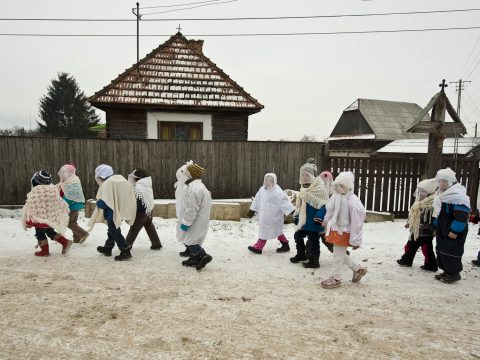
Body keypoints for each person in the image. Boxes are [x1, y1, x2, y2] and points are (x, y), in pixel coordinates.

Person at [321, 171, 367, 289]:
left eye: (342, 186)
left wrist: (356, 241)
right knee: (339, 254)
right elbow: (330, 211)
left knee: (337, 255)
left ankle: (336, 278)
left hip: (345, 232)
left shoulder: (353, 201)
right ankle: (358, 269)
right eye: (337, 185)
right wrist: (326, 222)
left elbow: (357, 223)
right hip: (336, 229)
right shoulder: (336, 197)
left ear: (348, 187)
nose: (338, 188)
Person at [88, 164, 136, 261]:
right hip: (122, 210)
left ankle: (125, 249)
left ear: (100, 176)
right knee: (111, 231)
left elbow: (104, 202)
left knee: (114, 231)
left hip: (112, 213)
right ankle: (108, 247)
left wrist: (98, 202)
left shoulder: (108, 184)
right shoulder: (121, 180)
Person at [290, 158, 330, 269]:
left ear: (313, 176)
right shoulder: (304, 188)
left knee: (313, 242)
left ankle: (314, 260)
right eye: (302, 175)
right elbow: (301, 206)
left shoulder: (319, 188)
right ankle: (301, 254)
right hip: (304, 221)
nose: (305, 177)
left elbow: (325, 205)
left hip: (314, 221)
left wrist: (320, 217)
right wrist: (297, 216)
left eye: (307, 175)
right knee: (297, 236)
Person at [21, 170, 72, 256]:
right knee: (49, 231)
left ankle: (45, 251)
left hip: (40, 219)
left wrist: (27, 219)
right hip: (51, 218)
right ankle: (65, 242)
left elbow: (31, 206)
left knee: (40, 233)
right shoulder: (53, 189)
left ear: (36, 182)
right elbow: (58, 202)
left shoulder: (36, 192)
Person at [433, 168, 470, 284]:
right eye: (439, 181)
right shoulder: (440, 194)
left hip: (453, 229)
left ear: (450, 181)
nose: (441, 183)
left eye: (444, 181)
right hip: (443, 228)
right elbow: (438, 213)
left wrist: (455, 230)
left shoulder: (458, 196)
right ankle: (446, 271)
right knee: (441, 249)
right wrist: (435, 226)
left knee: (451, 251)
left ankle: (454, 274)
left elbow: (462, 216)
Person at [176, 162, 213, 270]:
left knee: (190, 240)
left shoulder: (194, 189)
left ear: (190, 175)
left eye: (186, 173)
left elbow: (191, 209)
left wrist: (186, 222)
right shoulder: (198, 186)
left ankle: (203, 255)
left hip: (195, 220)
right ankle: (194, 258)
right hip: (200, 219)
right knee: (192, 239)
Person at [247, 173, 295, 254]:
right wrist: (252, 210)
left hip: (273, 217)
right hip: (264, 216)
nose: (268, 182)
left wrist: (291, 211)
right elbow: (256, 200)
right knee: (277, 231)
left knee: (265, 231)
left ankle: (258, 247)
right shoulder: (261, 189)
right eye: (266, 180)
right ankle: (285, 244)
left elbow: (284, 202)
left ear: (274, 182)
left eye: (270, 181)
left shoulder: (277, 192)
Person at [396, 178, 438, 271]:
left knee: (426, 249)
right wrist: (409, 223)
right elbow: (414, 215)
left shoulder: (433, 203)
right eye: (420, 191)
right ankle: (406, 260)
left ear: (430, 191)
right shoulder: (418, 202)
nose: (421, 193)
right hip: (415, 230)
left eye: (424, 191)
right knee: (410, 246)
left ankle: (431, 265)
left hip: (425, 232)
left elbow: (435, 217)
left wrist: (432, 227)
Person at [126, 169, 162, 250]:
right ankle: (156, 243)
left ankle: (126, 245)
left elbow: (138, 201)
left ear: (138, 178)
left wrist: (133, 210)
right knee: (149, 226)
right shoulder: (146, 184)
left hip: (141, 212)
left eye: (134, 177)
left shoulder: (139, 187)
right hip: (148, 210)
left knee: (134, 229)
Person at [57, 164, 89, 243]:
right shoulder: (72, 180)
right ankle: (77, 238)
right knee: (73, 221)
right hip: (75, 204)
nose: (62, 175)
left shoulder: (72, 182)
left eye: (64, 173)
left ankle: (83, 234)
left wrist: (63, 203)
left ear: (68, 173)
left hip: (73, 205)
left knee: (68, 222)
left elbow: (71, 195)